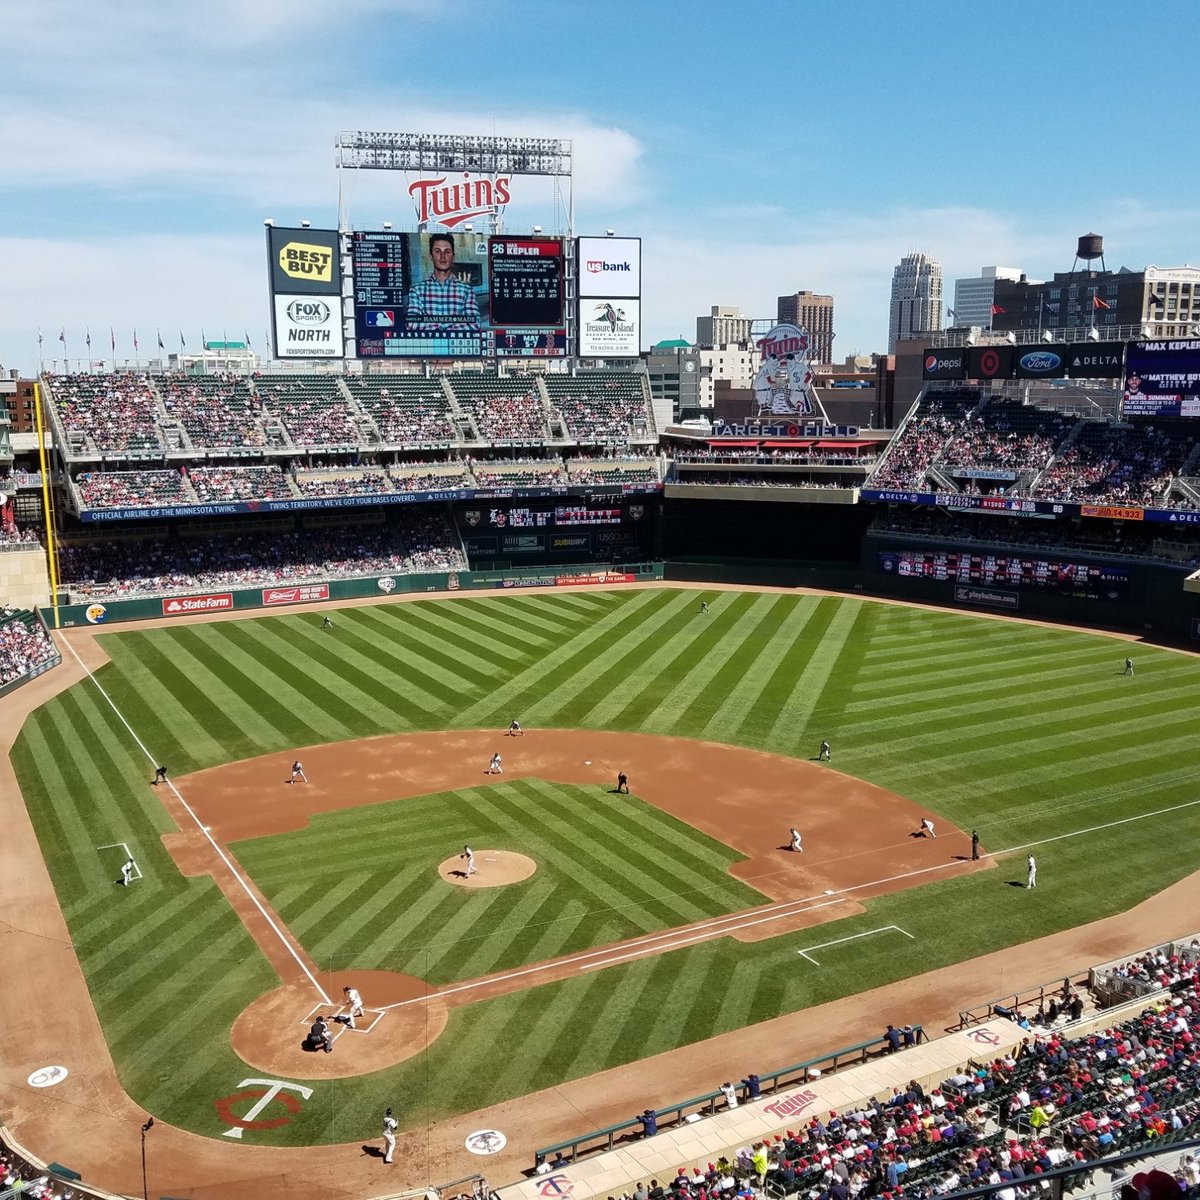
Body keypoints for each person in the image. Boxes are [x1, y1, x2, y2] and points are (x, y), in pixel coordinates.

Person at [406, 233, 481, 331]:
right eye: (437, 251)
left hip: (456, 346)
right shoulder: (417, 290)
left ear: (453, 257)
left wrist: (438, 329)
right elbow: (411, 323)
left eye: (447, 251)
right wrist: (447, 329)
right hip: (428, 346)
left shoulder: (466, 290)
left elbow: (474, 323)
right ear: (431, 256)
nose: (442, 256)